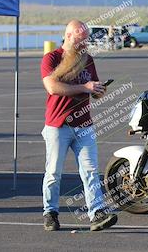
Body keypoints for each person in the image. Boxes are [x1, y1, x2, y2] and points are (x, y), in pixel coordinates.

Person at [40, 19, 117, 231]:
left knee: (91, 171)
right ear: (69, 36)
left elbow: (94, 88)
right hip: (58, 125)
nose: (85, 45)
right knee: (54, 172)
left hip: (84, 124)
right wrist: (85, 87)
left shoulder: (88, 60)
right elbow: (52, 87)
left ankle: (97, 212)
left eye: (86, 41)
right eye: (82, 41)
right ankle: (50, 213)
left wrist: (98, 91)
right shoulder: (51, 58)